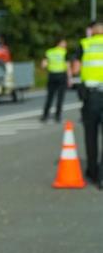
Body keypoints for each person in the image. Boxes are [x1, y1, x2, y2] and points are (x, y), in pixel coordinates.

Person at [75, 22, 103, 189]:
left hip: (91, 96)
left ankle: (92, 171)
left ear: (92, 31)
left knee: (90, 135)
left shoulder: (85, 44)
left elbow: (76, 68)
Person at [40, 38, 69, 122]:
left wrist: (46, 68)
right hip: (61, 75)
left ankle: (45, 116)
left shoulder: (49, 52)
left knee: (50, 97)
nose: (65, 45)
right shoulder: (64, 52)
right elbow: (67, 66)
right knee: (60, 97)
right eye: (64, 43)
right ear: (59, 43)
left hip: (52, 76)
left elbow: (43, 65)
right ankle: (58, 116)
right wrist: (69, 78)